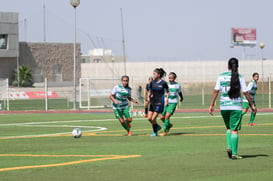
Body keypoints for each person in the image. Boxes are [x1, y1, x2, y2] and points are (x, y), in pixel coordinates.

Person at [209, 58, 256, 160]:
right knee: (234, 130)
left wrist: (212, 105)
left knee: (229, 128)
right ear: (237, 66)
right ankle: (234, 153)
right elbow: (245, 92)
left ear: (228, 66)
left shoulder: (221, 76)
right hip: (236, 106)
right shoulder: (240, 77)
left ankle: (229, 147)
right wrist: (252, 105)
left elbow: (216, 91)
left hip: (224, 106)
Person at [147, 68, 169, 136]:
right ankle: (157, 126)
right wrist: (148, 97)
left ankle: (155, 132)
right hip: (153, 101)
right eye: (153, 73)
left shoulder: (163, 83)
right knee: (149, 118)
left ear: (159, 75)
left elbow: (168, 92)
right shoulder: (152, 83)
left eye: (154, 74)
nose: (153, 75)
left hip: (159, 102)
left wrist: (167, 100)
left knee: (153, 118)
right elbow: (150, 91)